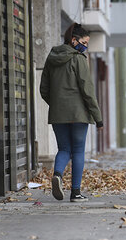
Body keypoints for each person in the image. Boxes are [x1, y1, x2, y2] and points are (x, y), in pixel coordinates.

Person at [40, 23, 103, 202]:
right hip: (79, 114)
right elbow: (87, 90)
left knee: (64, 149)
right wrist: (98, 118)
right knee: (77, 151)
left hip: (58, 114)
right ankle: (75, 193)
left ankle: (58, 175)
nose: (86, 46)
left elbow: (43, 88)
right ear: (74, 40)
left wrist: (57, 104)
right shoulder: (78, 59)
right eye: (84, 42)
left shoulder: (51, 58)